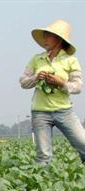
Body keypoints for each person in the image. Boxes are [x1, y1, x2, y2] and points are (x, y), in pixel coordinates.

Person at [19, 19, 85, 164]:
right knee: (43, 156)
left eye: (49, 35)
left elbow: (78, 86)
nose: (45, 38)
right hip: (40, 112)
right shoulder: (37, 59)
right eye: (45, 35)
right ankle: (43, 184)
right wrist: (36, 77)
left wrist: (61, 83)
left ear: (59, 39)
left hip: (64, 111)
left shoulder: (70, 60)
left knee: (83, 144)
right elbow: (23, 82)